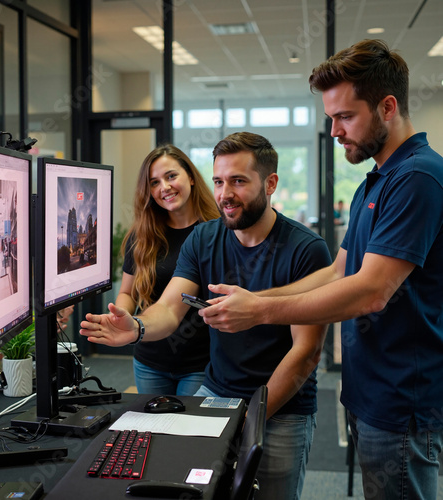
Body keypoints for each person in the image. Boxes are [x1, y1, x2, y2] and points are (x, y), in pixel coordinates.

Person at [200, 40, 443, 500]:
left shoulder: (417, 178)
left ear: (387, 107)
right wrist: (255, 298)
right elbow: (340, 272)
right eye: (331, 117)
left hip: (401, 399)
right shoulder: (377, 178)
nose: (334, 130)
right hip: (369, 390)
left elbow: (371, 292)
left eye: (345, 116)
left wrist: (258, 313)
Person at [80, 132, 332, 500]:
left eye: (239, 181)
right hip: (217, 396)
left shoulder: (306, 250)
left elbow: (306, 352)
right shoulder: (204, 239)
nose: (225, 193)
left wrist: (250, 418)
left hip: (281, 412)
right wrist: (136, 328)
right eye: (219, 181)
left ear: (271, 183)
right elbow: (169, 307)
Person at [115, 144, 218, 395]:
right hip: (149, 360)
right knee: (153, 433)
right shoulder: (142, 237)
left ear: (191, 177)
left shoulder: (217, 231)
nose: (165, 187)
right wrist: (119, 316)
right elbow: (128, 293)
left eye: (171, 176)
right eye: (154, 182)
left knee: (189, 432)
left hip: (201, 363)